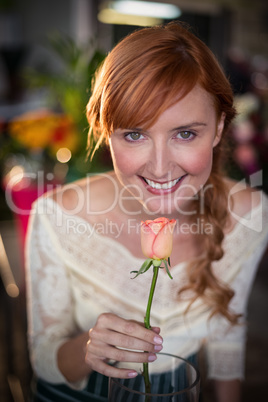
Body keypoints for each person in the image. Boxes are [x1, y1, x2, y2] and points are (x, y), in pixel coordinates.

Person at [25, 22, 268, 402]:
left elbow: (227, 335)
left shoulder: (251, 215)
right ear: (107, 133)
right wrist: (89, 348)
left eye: (185, 133)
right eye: (135, 134)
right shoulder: (57, 216)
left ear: (219, 128)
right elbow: (42, 359)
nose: (159, 167)